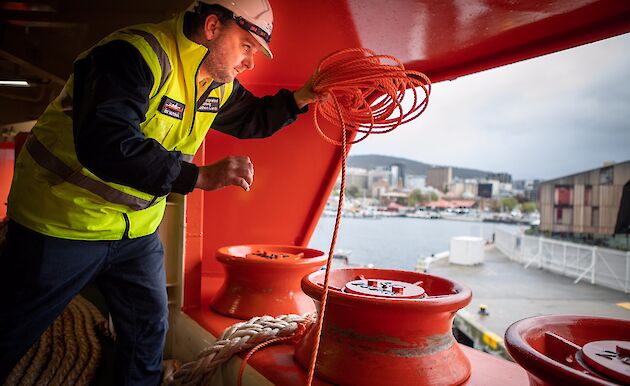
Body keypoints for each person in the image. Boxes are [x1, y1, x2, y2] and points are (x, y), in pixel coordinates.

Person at [0, 0, 325, 384]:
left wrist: (303, 96)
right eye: (246, 46)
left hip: (135, 233)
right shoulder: (131, 56)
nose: (250, 62)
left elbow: (253, 117)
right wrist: (198, 177)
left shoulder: (214, 83)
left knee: (147, 333)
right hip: (59, 223)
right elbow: (107, 143)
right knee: (11, 330)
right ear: (212, 27)